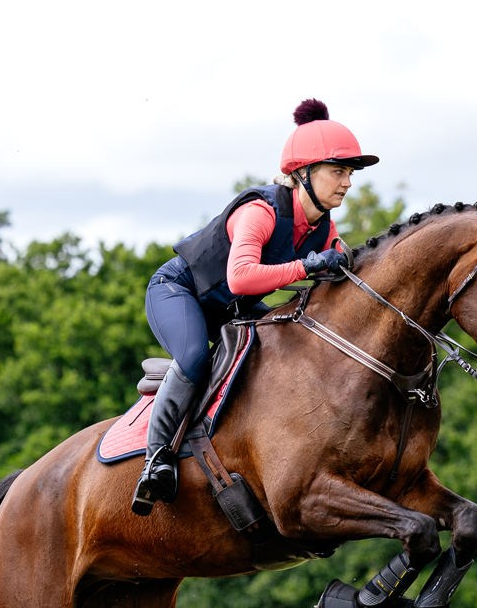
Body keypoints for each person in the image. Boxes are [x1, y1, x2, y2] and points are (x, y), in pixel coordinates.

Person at [131, 99, 378, 516]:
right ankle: (156, 461)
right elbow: (241, 278)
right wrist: (308, 266)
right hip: (180, 291)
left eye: (350, 173)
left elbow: (343, 267)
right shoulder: (259, 211)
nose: (348, 183)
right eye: (338, 171)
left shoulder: (323, 226)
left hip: (230, 308)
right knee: (194, 357)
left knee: (289, 347)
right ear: (304, 173)